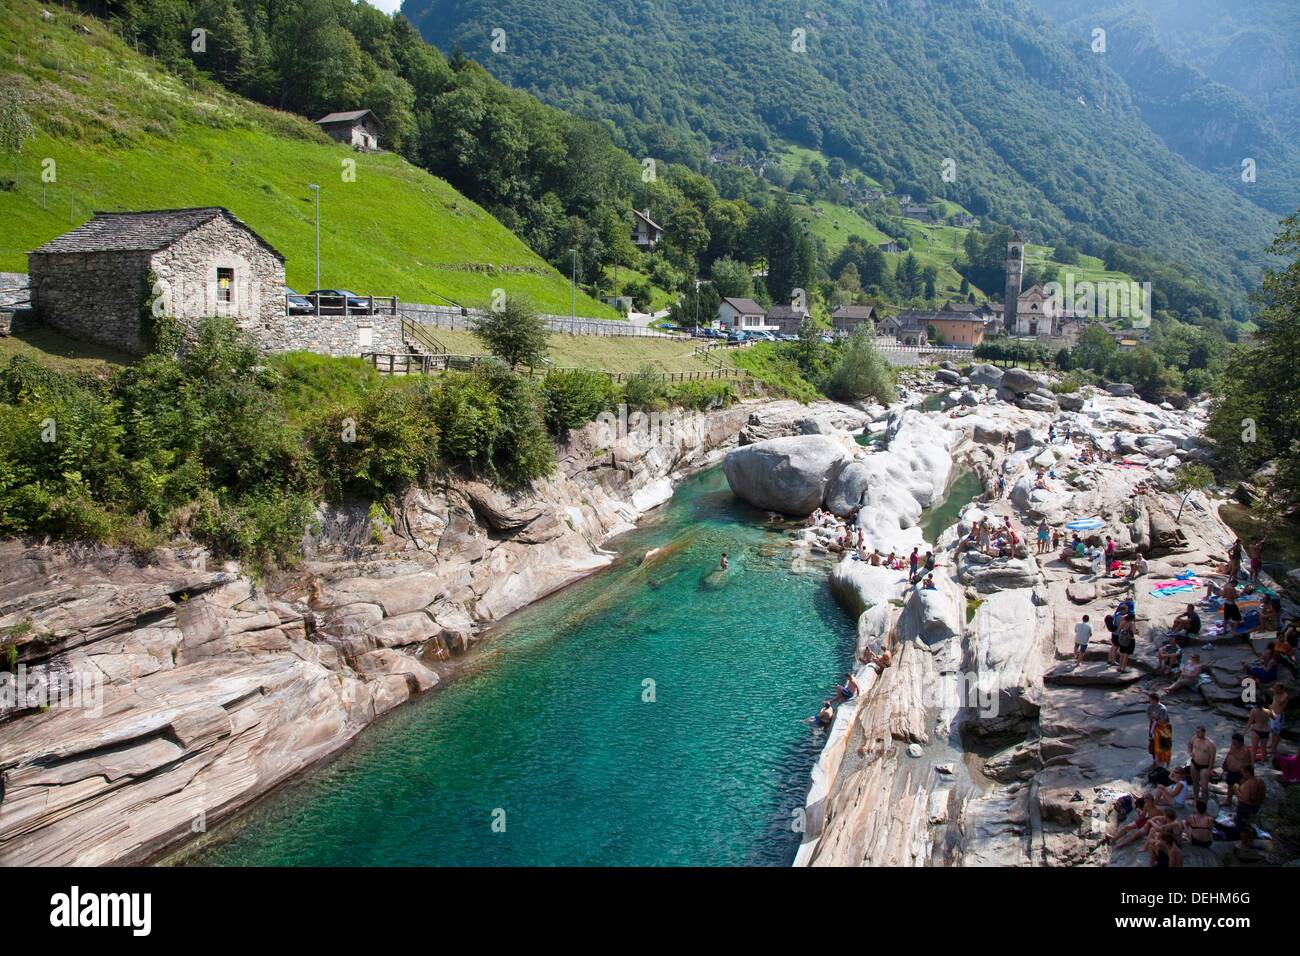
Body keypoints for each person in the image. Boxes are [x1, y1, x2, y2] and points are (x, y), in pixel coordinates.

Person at [1235, 765, 1265, 848]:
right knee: (1249, 824)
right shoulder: (1260, 781)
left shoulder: (1249, 784)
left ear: (1247, 772)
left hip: (1245, 806)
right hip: (1256, 806)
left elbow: (1245, 798)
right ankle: (1250, 841)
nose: (1241, 773)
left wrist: (1237, 791)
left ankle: (1245, 845)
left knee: (1242, 826)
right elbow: (1263, 796)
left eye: (1243, 772)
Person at [1221, 732, 1253, 806]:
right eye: (1233, 742)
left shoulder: (1245, 752)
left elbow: (1247, 765)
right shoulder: (1233, 746)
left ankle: (1240, 804)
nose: (1233, 744)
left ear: (1241, 742)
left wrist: (1244, 777)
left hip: (1239, 773)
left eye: (1235, 743)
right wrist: (1225, 763)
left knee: (1240, 789)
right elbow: (1229, 754)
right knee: (1230, 786)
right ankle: (1228, 801)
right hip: (1230, 771)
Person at [1187, 726, 1217, 803]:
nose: (1197, 733)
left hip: (1204, 766)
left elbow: (1212, 757)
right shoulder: (1194, 738)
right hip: (1194, 763)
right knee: (1195, 782)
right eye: (1196, 732)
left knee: (1204, 787)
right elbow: (1189, 743)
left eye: (1198, 732)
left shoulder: (1210, 743)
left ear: (1204, 732)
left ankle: (1204, 802)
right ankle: (1196, 799)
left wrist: (1210, 769)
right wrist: (1190, 752)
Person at [1147, 693, 1172, 769]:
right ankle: (1155, 760)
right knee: (1152, 744)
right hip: (1153, 727)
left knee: (1164, 745)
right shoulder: (1150, 707)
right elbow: (1148, 715)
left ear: (1154, 700)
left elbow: (1162, 720)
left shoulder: (1162, 709)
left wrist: (1154, 718)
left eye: (1150, 699)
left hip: (1163, 729)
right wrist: (1154, 719)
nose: (1149, 700)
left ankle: (1165, 762)